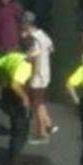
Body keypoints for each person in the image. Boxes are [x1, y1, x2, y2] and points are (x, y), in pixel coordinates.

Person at [0, 37, 37, 165]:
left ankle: (14, 158)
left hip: (6, 95)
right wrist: (24, 98)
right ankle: (13, 164)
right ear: (30, 50)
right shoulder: (25, 64)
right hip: (18, 99)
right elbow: (15, 84)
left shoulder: (11, 57)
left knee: (15, 129)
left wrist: (3, 79)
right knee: (21, 133)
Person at [21, 13, 56, 143]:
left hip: (37, 76)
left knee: (36, 105)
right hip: (46, 74)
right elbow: (51, 48)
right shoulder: (43, 34)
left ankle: (41, 134)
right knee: (40, 102)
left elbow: (32, 57)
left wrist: (25, 55)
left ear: (26, 24)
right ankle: (48, 125)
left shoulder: (34, 40)